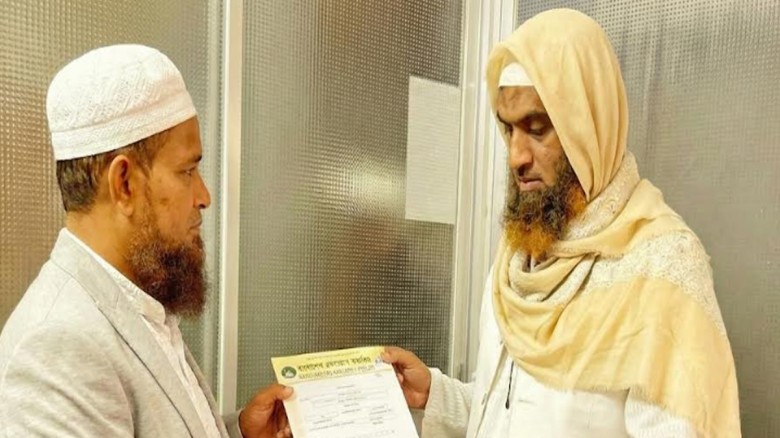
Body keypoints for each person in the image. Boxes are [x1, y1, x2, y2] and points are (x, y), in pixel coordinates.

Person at [383, 9, 740, 438]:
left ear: (588, 126)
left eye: (537, 129)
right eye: (509, 130)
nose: (516, 157)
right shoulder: (519, 256)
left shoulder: (661, 268)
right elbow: (506, 407)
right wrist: (434, 395)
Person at [0, 44, 292, 438]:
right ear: (124, 184)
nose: (204, 196)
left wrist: (240, 432)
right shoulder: (55, 348)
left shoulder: (136, 303)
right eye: (186, 171)